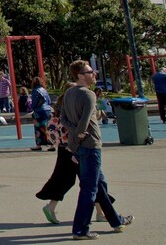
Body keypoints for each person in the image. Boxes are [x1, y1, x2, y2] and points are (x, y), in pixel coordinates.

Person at [60, 59, 134, 239]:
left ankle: (116, 220)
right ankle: (80, 229)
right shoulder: (88, 94)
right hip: (90, 146)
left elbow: (63, 119)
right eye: (90, 72)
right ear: (80, 75)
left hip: (79, 146)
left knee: (100, 184)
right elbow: (84, 123)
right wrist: (78, 137)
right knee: (89, 188)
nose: (94, 74)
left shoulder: (69, 93)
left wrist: (74, 141)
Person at [36, 83, 114, 225]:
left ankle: (99, 211)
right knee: (94, 180)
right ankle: (101, 213)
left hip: (65, 149)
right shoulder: (72, 109)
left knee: (69, 180)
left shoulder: (60, 108)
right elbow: (81, 126)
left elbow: (53, 132)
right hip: (76, 148)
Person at [30, 77, 53, 150]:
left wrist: (32, 107)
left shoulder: (35, 91)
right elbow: (49, 101)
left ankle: (39, 145)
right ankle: (51, 143)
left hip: (39, 111)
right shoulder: (44, 90)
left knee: (38, 128)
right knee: (47, 127)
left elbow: (34, 102)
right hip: (47, 110)